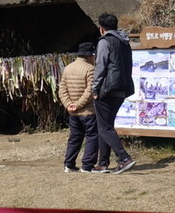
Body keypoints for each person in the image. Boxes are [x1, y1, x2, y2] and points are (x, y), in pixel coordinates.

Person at [91, 13, 137, 174]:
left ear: (101, 28)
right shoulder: (124, 42)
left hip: (107, 89)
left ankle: (124, 158)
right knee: (106, 126)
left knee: (103, 127)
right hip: (122, 88)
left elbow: (100, 67)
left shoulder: (105, 41)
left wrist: (95, 89)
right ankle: (102, 164)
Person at [58, 42, 99, 173]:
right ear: (90, 56)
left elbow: (62, 89)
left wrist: (69, 104)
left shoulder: (68, 68)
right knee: (92, 137)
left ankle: (69, 164)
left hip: (73, 112)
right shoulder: (90, 69)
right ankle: (87, 165)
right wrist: (79, 104)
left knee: (74, 137)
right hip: (88, 111)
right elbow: (90, 90)